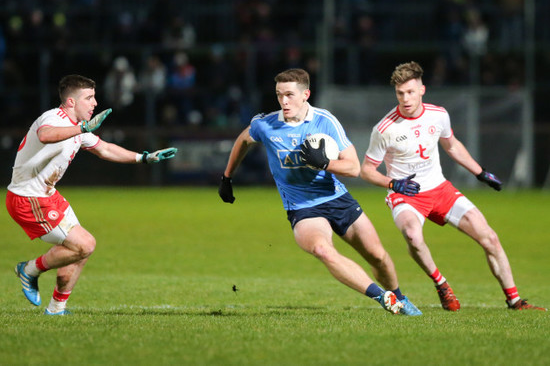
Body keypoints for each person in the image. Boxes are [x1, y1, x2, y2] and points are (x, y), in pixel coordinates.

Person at [218, 68, 421, 315]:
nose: (284, 101)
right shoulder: (266, 125)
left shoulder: (325, 121)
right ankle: (384, 298)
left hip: (337, 198)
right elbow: (244, 140)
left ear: (306, 94)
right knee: (322, 250)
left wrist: (324, 163)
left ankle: (399, 296)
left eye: (290, 95)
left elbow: (353, 166)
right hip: (301, 207)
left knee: (377, 256)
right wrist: (227, 177)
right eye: (279, 95)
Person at [360, 61, 546, 311]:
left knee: (489, 237)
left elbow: (452, 145)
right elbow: (366, 170)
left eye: (410, 92)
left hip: (440, 189)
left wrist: (480, 172)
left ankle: (515, 301)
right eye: (400, 93)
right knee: (413, 237)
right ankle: (441, 284)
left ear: (422, 90)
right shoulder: (385, 129)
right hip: (407, 195)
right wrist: (393, 183)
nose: (405, 98)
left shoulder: (438, 114)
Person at [6, 74, 178, 315]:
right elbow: (45, 135)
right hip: (27, 199)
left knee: (80, 249)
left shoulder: (78, 129)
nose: (95, 103)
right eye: (89, 98)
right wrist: (82, 127)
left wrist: (145, 157)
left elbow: (105, 149)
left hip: (48, 195)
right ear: (70, 102)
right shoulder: (53, 117)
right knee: (84, 245)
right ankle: (30, 270)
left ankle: (56, 308)